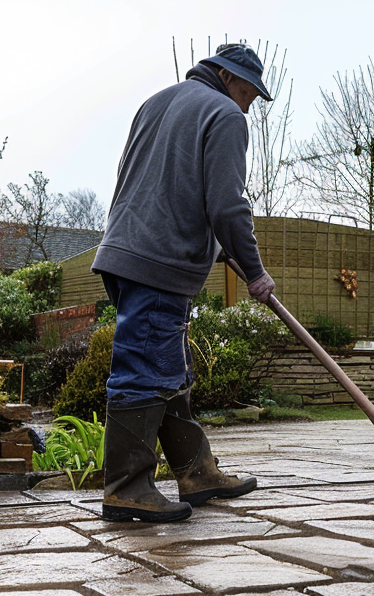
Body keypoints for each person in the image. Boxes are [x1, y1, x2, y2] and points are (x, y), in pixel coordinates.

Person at [91, 42, 276, 523]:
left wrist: (198, 243)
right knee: (143, 370)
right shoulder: (225, 115)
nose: (248, 104)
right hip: (159, 260)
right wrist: (254, 272)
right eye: (249, 93)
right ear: (227, 76)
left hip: (124, 251)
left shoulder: (155, 103)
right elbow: (228, 207)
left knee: (168, 364)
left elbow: (144, 182)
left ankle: (198, 473)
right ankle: (127, 489)